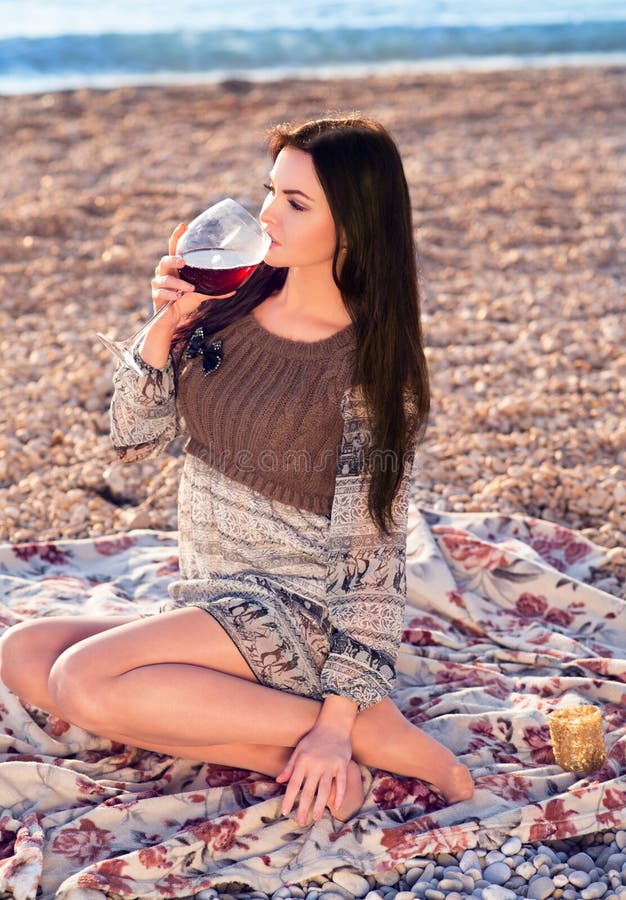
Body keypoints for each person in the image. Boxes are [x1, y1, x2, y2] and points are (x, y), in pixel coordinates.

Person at [0, 115, 473, 828]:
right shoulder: (234, 299)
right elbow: (133, 439)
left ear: (355, 227)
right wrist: (165, 326)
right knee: (25, 654)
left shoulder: (371, 375)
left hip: (299, 610)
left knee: (82, 681)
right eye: (270, 192)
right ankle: (299, 754)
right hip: (212, 590)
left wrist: (338, 716)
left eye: (296, 203)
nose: (267, 216)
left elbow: (372, 555)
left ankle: (364, 731)